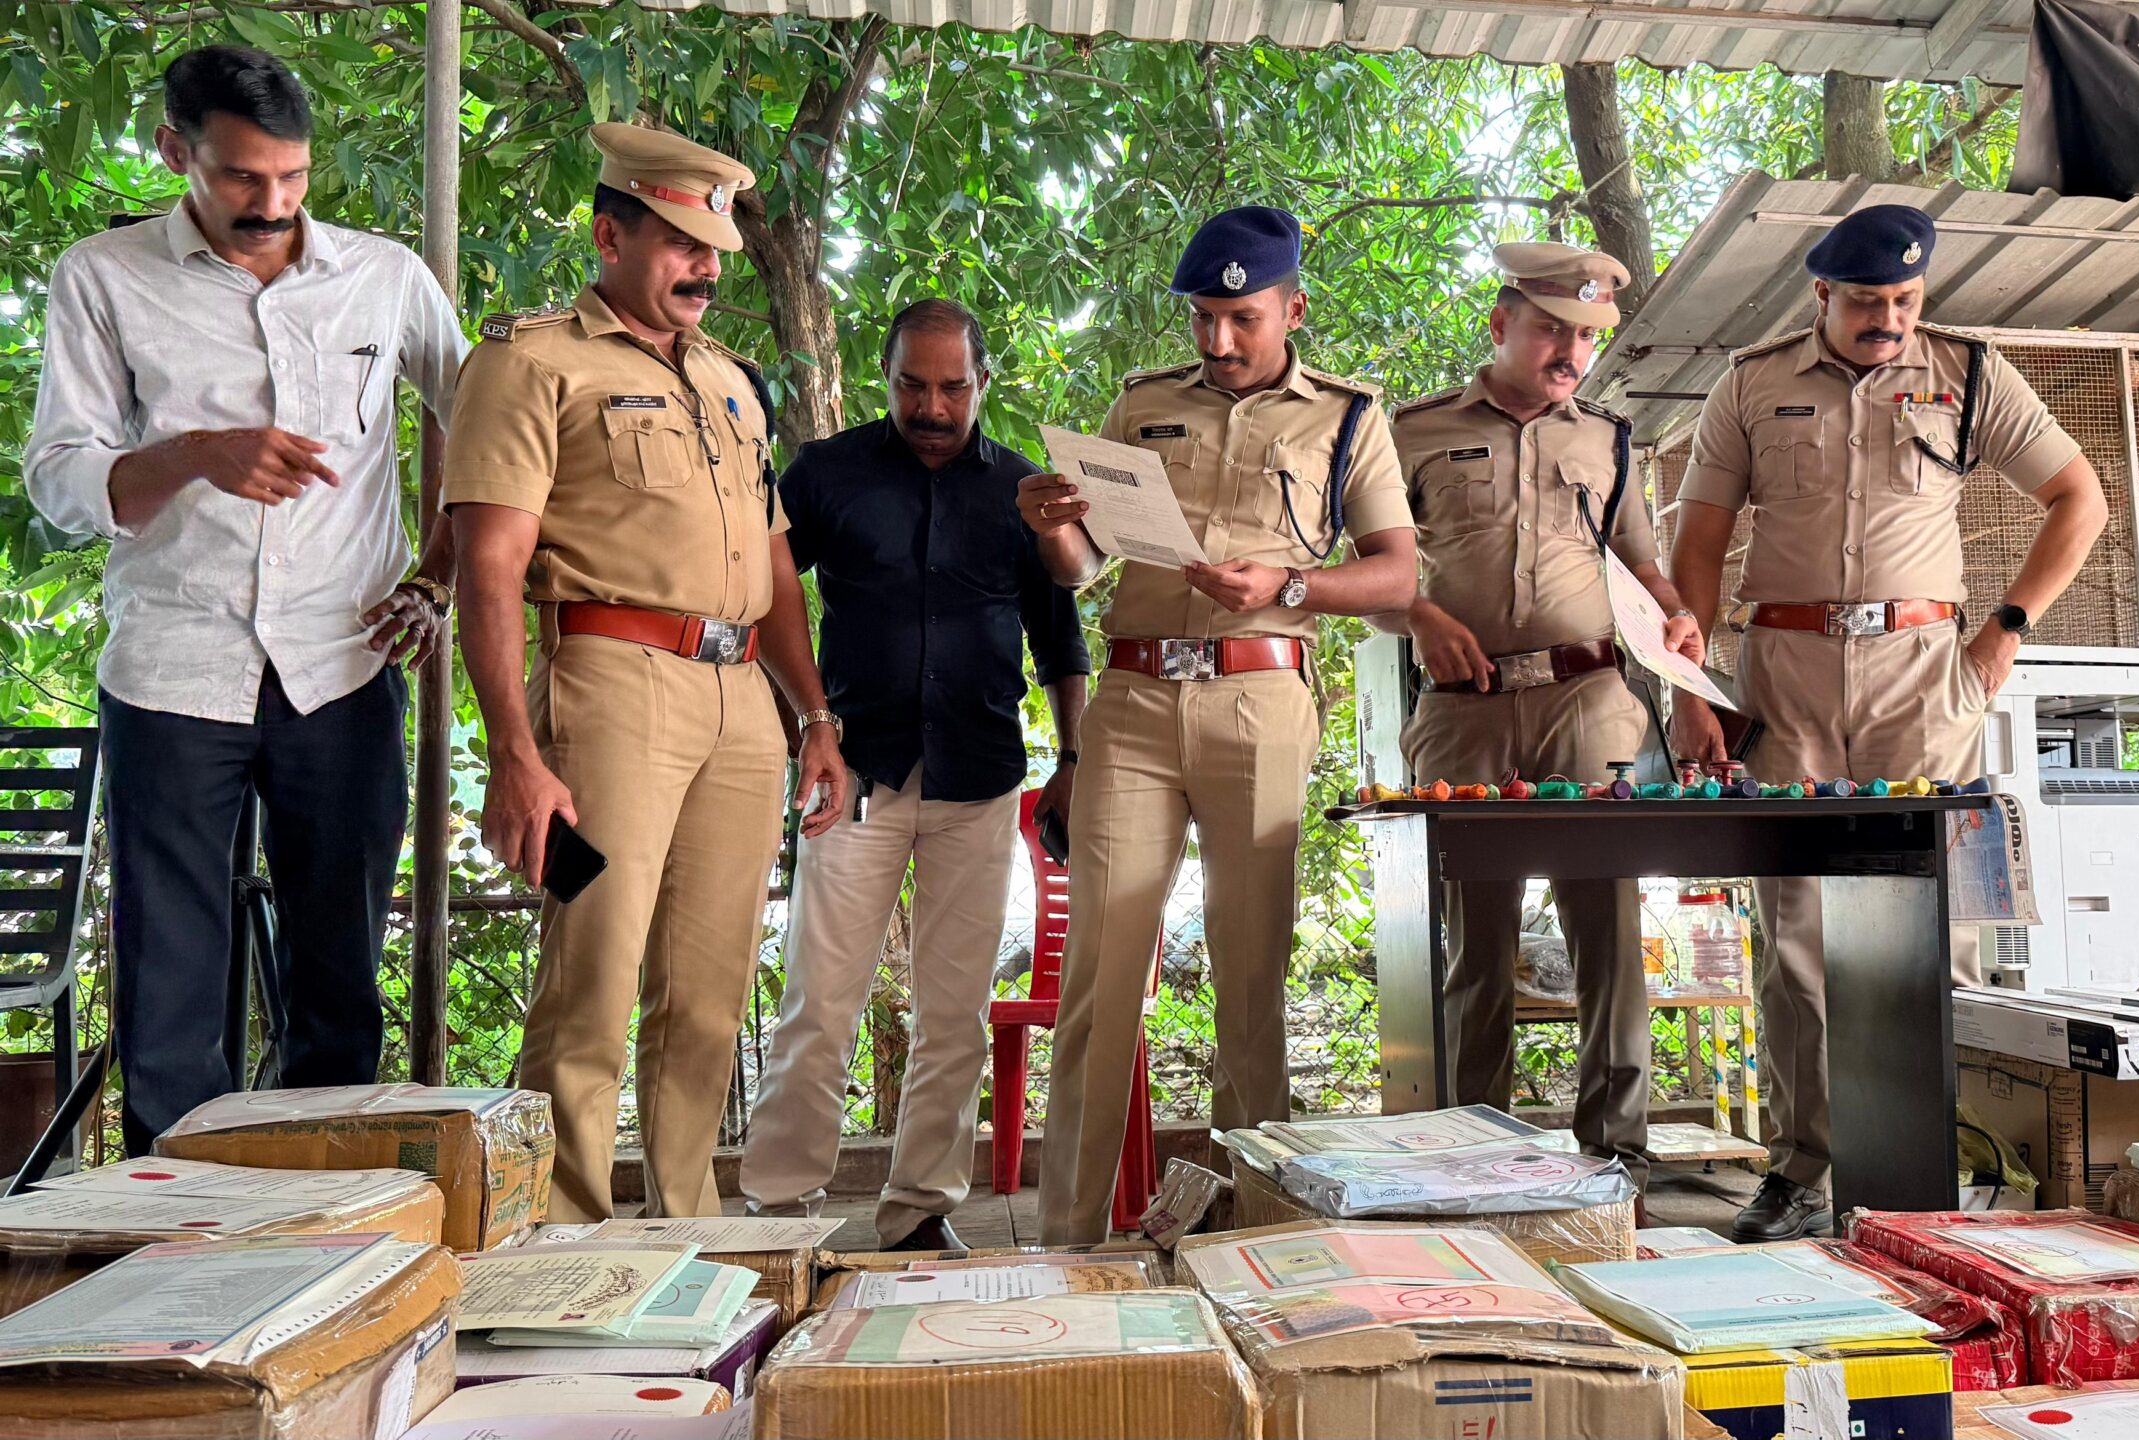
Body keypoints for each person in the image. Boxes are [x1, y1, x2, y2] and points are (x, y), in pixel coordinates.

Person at [25, 45, 468, 1156]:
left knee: (339, 987)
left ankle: (325, 1223)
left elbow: (490, 434)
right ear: (174, 152)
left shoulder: (384, 276)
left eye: (293, 177)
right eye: (240, 177)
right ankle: (175, 1231)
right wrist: (194, 454)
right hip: (176, 668)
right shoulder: (103, 275)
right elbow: (60, 480)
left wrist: (438, 578)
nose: (272, 204)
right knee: (170, 991)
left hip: (345, 664)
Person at [1666, 204, 2107, 1241]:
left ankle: (1930, 1172)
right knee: (1798, 941)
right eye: (1868, 301)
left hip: (1923, 675)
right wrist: (1690, 687)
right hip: (1785, 677)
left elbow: (2078, 498)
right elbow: (1700, 540)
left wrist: (2004, 631)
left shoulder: (1969, 373)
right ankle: (1804, 1170)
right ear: (1822, 294)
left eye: (1906, 299)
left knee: (1930, 933)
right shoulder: (1751, 383)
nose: (1890, 319)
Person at [443, 123, 849, 1221]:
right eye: (679, 242)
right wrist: (515, 756)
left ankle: (688, 1233)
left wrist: (813, 715)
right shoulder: (530, 362)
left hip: (740, 700)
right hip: (610, 687)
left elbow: (772, 560)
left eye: (711, 248)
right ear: (609, 235)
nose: (703, 268)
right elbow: (489, 568)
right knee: (592, 982)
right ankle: (561, 1240)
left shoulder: (730, 380)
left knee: (710, 997)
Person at [1018, 206, 1418, 1244]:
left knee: (1251, 978)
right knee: (1099, 975)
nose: (1219, 339)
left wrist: (1288, 583)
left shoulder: (1347, 418)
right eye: (1202, 318)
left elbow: (1396, 577)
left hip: (1260, 698)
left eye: (1242, 318)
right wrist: (1053, 532)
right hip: (1134, 703)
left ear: (1293, 309)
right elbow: (1084, 566)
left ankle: (1255, 1237)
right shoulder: (1141, 404)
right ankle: (1068, 1240)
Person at [738, 299, 1091, 1249]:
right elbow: (765, 592)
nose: (931, 407)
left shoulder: (1021, 490)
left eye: (951, 387)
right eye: (912, 385)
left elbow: (1062, 641)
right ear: (885, 379)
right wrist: (805, 724)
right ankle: (779, 1212)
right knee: (819, 1002)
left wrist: (1073, 759)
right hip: (854, 776)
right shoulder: (827, 474)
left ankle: (920, 1211)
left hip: (980, 780)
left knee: (956, 1014)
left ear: (982, 383)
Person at [1381, 243, 1699, 1193]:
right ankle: (1472, 1154)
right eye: (1553, 329)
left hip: (1586, 699)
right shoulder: (1414, 431)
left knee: (1607, 928)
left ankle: (1617, 1156)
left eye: (1587, 337)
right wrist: (1419, 614)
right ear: (1500, 324)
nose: (1571, 353)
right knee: (1476, 944)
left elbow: (1643, 565)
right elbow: (1368, 566)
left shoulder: (1608, 439)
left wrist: (1677, 615)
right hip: (1464, 711)